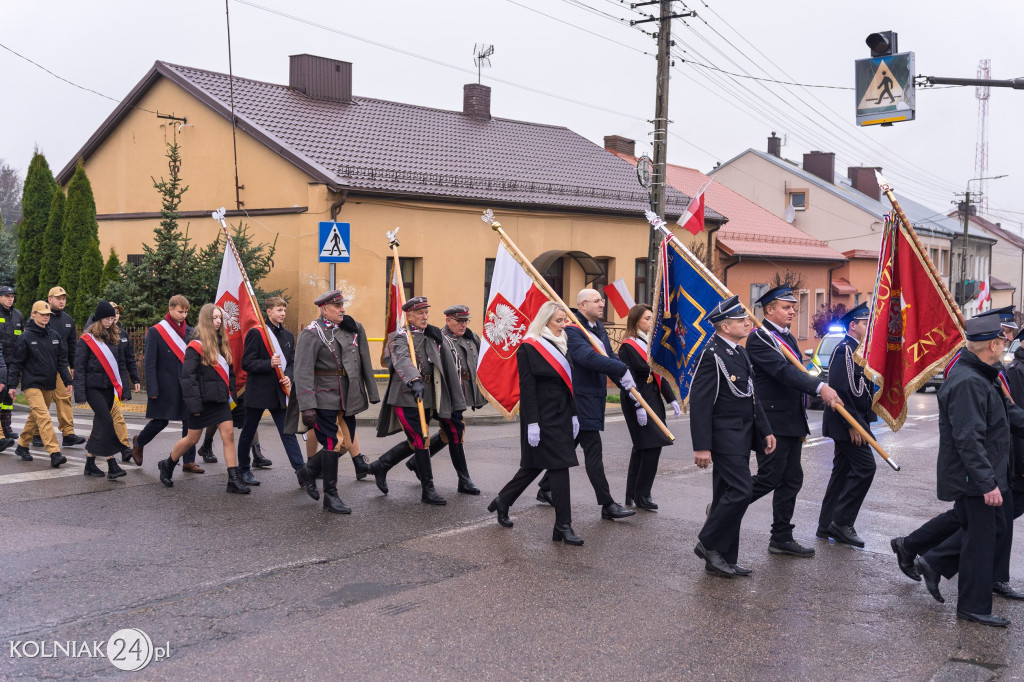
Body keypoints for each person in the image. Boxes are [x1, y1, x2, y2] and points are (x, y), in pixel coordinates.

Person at [918, 315, 1020, 627]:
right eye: (1003, 341)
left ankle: (933, 563)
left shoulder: (983, 374)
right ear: (993, 344)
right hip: (974, 478)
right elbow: (968, 439)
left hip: (986, 473)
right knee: (981, 540)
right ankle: (972, 606)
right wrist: (987, 483)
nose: (1005, 345)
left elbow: (1005, 414)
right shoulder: (968, 382)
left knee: (992, 529)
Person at [745, 284, 841, 557]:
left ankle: (781, 537)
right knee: (769, 476)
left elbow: (797, 370)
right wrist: (820, 388)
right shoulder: (760, 338)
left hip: (790, 419)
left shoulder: (784, 337)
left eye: (793, 307)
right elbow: (783, 372)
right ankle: (725, 505)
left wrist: (818, 383)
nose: (792, 311)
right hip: (772, 421)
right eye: (785, 307)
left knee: (791, 480)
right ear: (769, 310)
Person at [691, 296, 775, 577]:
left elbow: (751, 397)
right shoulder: (712, 354)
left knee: (727, 493)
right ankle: (707, 541)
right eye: (741, 320)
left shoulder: (739, 352)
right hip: (723, 437)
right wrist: (702, 446)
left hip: (742, 435)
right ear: (725, 327)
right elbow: (701, 403)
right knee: (742, 491)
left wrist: (765, 430)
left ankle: (723, 557)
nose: (747, 322)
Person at [488, 301, 583, 545]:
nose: (563, 325)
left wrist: (573, 414)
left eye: (564, 320)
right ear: (545, 321)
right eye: (558, 321)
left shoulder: (561, 345)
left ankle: (503, 500)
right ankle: (563, 525)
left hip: (561, 415)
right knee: (559, 467)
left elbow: (568, 384)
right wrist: (532, 423)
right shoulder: (530, 347)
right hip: (541, 417)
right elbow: (527, 388)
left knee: (535, 466)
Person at [537, 288, 636, 521]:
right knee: (593, 452)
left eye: (602, 300)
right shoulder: (572, 329)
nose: (602, 304)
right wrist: (621, 370)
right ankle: (607, 504)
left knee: (568, 447)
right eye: (596, 301)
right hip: (581, 399)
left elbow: (608, 354)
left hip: (594, 398)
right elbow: (586, 358)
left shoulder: (597, 327)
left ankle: (545, 487)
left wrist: (626, 382)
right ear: (582, 305)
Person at [370, 296, 466, 505]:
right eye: (420, 313)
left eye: (426, 313)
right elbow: (402, 359)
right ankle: (428, 489)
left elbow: (444, 365)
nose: (425, 317)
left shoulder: (430, 335)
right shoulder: (400, 337)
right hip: (406, 395)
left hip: (429, 395)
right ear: (409, 315)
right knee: (421, 439)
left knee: (417, 440)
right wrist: (414, 379)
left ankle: (382, 465)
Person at [292, 290, 379, 513]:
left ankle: (307, 471)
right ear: (324, 309)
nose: (342, 309)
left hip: (346, 397)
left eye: (342, 305)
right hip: (323, 398)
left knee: (346, 443)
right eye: (337, 306)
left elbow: (362, 361)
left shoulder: (348, 328)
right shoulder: (311, 334)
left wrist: (369, 392)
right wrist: (307, 405)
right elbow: (302, 372)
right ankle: (331, 496)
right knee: (331, 443)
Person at [157, 304, 249, 494]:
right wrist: (194, 404)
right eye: (214, 318)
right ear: (206, 320)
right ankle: (168, 464)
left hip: (220, 401)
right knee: (192, 438)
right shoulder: (195, 345)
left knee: (229, 435)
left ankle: (233, 479)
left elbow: (230, 373)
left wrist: (231, 395)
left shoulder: (222, 342)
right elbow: (188, 378)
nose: (218, 321)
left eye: (220, 318)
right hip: (201, 401)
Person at [401, 304, 483, 494]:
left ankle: (408, 463)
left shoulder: (471, 338)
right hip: (444, 394)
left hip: (463, 392)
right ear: (448, 320)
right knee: (454, 431)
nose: (463, 325)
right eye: (459, 321)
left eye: (466, 321)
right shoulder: (439, 338)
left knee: (448, 433)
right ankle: (464, 479)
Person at [818, 303, 877, 547]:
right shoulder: (845, 350)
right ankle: (842, 523)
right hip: (847, 423)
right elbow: (842, 391)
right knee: (866, 467)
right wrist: (852, 425)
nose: (868, 327)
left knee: (842, 471)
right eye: (865, 323)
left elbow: (863, 391)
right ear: (853, 326)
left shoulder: (859, 351)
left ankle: (825, 524)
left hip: (855, 420)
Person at [235, 297, 303, 486]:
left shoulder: (288, 336)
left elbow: (291, 362)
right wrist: (268, 364)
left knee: (287, 432)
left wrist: (289, 376)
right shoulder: (257, 334)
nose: (282, 313)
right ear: (269, 312)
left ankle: (300, 470)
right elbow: (246, 363)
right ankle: (243, 470)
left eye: (284, 310)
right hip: (258, 391)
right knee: (248, 432)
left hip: (279, 391)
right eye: (278, 310)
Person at [618, 303, 679, 510]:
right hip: (638, 399)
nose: (651, 322)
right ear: (636, 321)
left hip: (653, 398)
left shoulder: (650, 344)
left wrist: (670, 399)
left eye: (652, 318)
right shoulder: (628, 346)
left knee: (643, 449)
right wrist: (638, 406)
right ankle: (642, 496)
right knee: (651, 447)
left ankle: (633, 494)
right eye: (647, 318)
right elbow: (629, 379)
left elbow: (658, 374)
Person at [133, 296, 200, 472]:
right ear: (170, 309)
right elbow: (149, 363)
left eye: (186, 312)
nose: (183, 315)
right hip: (165, 385)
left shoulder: (191, 332)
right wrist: (152, 389)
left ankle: (188, 461)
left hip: (185, 384)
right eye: (180, 311)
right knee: (160, 421)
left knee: (189, 421)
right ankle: (139, 442)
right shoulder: (157, 331)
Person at [21, 286, 87, 449]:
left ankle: (68, 433)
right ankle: (36, 434)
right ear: (49, 299)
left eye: (64, 298)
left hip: (61, 364)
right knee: (43, 401)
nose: (62, 301)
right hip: (41, 367)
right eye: (58, 298)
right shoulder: (39, 316)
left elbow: (72, 345)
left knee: (64, 397)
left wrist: (72, 366)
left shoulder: (68, 320)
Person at [7, 301, 71, 467]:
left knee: (35, 417)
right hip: (31, 384)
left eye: (47, 315)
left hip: (49, 384)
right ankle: (54, 452)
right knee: (44, 417)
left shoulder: (55, 336)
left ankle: (22, 446)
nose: (45, 317)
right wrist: (12, 385)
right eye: (42, 314)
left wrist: (67, 380)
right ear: (33, 314)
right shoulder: (25, 337)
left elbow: (62, 361)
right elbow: (16, 363)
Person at [73, 301, 128, 480]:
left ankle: (90, 463)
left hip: (108, 388)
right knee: (106, 420)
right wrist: (79, 393)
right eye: (107, 318)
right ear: (98, 318)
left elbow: (120, 365)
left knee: (100, 424)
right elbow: (79, 368)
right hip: (92, 388)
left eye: (112, 318)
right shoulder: (86, 340)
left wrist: (124, 390)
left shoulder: (114, 338)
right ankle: (112, 464)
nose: (110, 321)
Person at [0, 284, 24, 448]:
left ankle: (6, 428)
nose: (10, 299)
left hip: (13, 362)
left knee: (8, 397)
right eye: (7, 296)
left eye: (12, 296)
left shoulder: (17, 315)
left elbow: (21, 338)